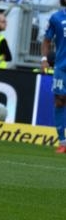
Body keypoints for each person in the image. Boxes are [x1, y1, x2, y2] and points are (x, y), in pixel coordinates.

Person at [42, 9, 66, 153]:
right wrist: (44, 59)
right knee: (60, 100)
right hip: (62, 65)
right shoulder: (56, 17)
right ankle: (63, 142)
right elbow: (46, 40)